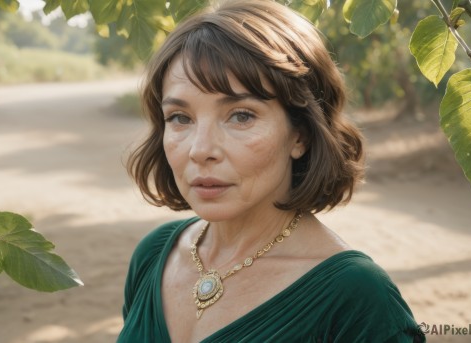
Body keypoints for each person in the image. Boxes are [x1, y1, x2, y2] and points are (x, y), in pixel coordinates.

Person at [119, 0, 426, 341]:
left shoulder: (358, 297)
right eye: (180, 118)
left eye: (241, 116)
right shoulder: (153, 254)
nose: (200, 150)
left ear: (301, 133)